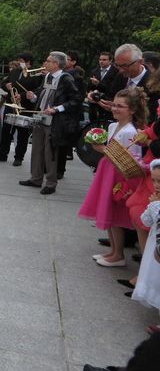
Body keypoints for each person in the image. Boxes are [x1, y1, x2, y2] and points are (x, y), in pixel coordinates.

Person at [77, 88, 146, 266]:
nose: (115, 109)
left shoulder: (131, 132)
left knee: (115, 214)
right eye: (114, 105)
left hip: (120, 174)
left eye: (120, 106)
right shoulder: (113, 126)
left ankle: (118, 254)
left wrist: (103, 149)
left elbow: (132, 159)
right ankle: (114, 251)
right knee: (107, 212)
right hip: (108, 170)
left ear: (131, 110)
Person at [19, 51, 82, 194]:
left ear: (56, 64)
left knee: (50, 153)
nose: (45, 63)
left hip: (55, 121)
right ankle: (35, 179)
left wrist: (57, 109)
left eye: (48, 61)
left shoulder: (66, 78)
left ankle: (51, 184)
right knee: (36, 150)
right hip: (40, 118)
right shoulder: (47, 76)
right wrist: (33, 96)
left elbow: (76, 99)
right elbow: (42, 94)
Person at [0, 52, 43, 166]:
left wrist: (22, 96)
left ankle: (19, 157)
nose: (20, 63)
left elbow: (36, 90)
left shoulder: (35, 74)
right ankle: (2, 154)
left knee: (22, 134)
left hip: (24, 107)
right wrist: (6, 86)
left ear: (28, 62)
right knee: (6, 131)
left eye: (22, 61)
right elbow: (4, 83)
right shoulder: (15, 71)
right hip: (10, 104)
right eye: (19, 60)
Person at [131, 159, 160, 331]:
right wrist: (152, 204)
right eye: (154, 181)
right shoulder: (155, 199)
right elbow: (145, 220)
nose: (156, 185)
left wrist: (155, 205)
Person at [56, 50, 86, 178]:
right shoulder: (60, 75)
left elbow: (77, 98)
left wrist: (63, 107)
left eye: (68, 59)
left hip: (68, 114)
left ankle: (59, 170)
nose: (65, 61)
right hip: (57, 112)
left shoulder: (76, 78)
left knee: (62, 144)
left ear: (73, 62)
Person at [87, 51, 119, 121]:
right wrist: (90, 93)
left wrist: (99, 84)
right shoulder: (94, 71)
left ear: (110, 61)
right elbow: (89, 87)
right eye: (100, 59)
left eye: (104, 60)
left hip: (107, 104)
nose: (101, 61)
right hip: (94, 104)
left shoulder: (116, 72)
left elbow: (113, 89)